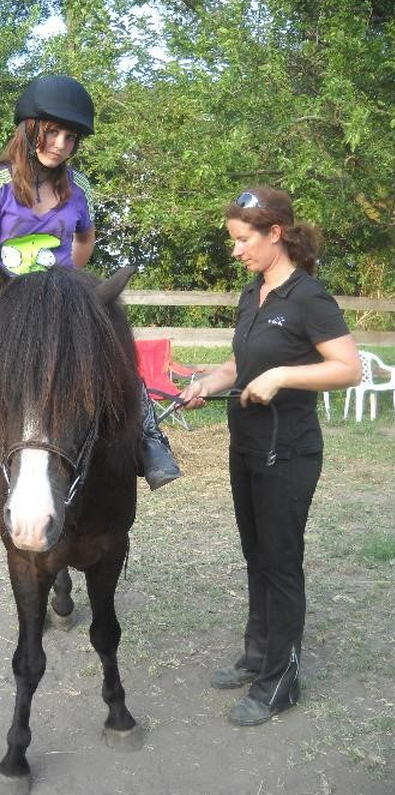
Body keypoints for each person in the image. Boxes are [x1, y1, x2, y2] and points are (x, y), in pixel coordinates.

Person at [0, 74, 181, 568]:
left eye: (71, 137)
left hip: (66, 321)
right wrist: (22, 313)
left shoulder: (79, 189)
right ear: (30, 130)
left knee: (121, 375)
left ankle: (152, 440)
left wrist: (71, 292)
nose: (61, 144)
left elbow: (84, 246)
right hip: (6, 326)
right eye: (52, 132)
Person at [180, 187, 361, 726]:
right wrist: (209, 381)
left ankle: (281, 680)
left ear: (274, 234)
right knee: (256, 555)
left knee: (280, 562)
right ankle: (258, 656)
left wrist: (283, 376)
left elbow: (346, 367)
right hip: (247, 445)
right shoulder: (253, 294)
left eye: (242, 240)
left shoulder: (308, 297)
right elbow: (243, 362)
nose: (236, 251)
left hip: (290, 450)